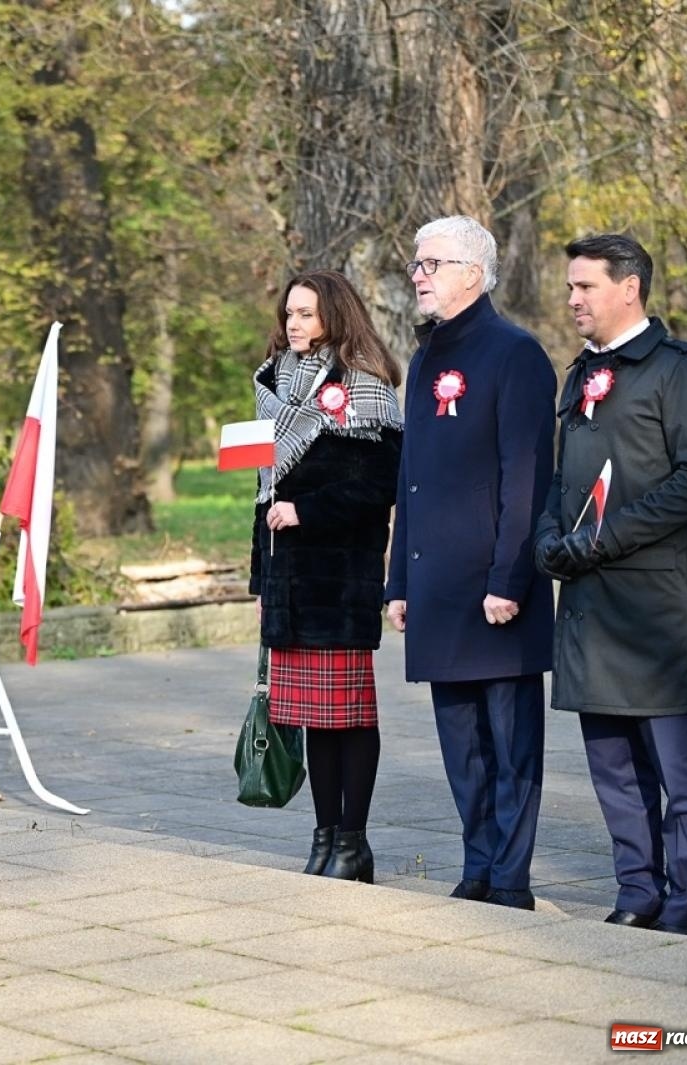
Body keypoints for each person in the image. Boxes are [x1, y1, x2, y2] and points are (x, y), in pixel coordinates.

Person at [534, 234, 687, 937]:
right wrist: (547, 535)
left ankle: (685, 906)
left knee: (680, 768)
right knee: (612, 765)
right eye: (571, 286)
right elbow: (562, 476)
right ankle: (637, 891)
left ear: (629, 287)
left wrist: (605, 539)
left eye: (585, 286)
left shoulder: (680, 372)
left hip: (654, 605)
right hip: (588, 602)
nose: (573, 298)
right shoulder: (579, 373)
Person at [384, 215, 556, 910]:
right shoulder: (426, 357)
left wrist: (509, 579)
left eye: (432, 263)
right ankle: (478, 865)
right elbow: (410, 478)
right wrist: (397, 580)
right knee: (462, 746)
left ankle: (510, 879)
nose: (418, 274)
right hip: (436, 587)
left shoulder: (514, 353)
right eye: (417, 263)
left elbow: (528, 477)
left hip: (494, 589)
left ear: (473, 274)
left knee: (511, 748)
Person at [249, 270, 404, 883]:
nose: (294, 324)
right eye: (289, 312)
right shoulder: (271, 387)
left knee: (349, 715)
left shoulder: (364, 388)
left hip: (340, 578)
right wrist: (262, 581)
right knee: (312, 718)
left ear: (335, 317)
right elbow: (261, 496)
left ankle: (354, 842)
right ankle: (323, 838)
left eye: (307, 314)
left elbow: (380, 485)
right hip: (288, 582)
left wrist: (307, 511)